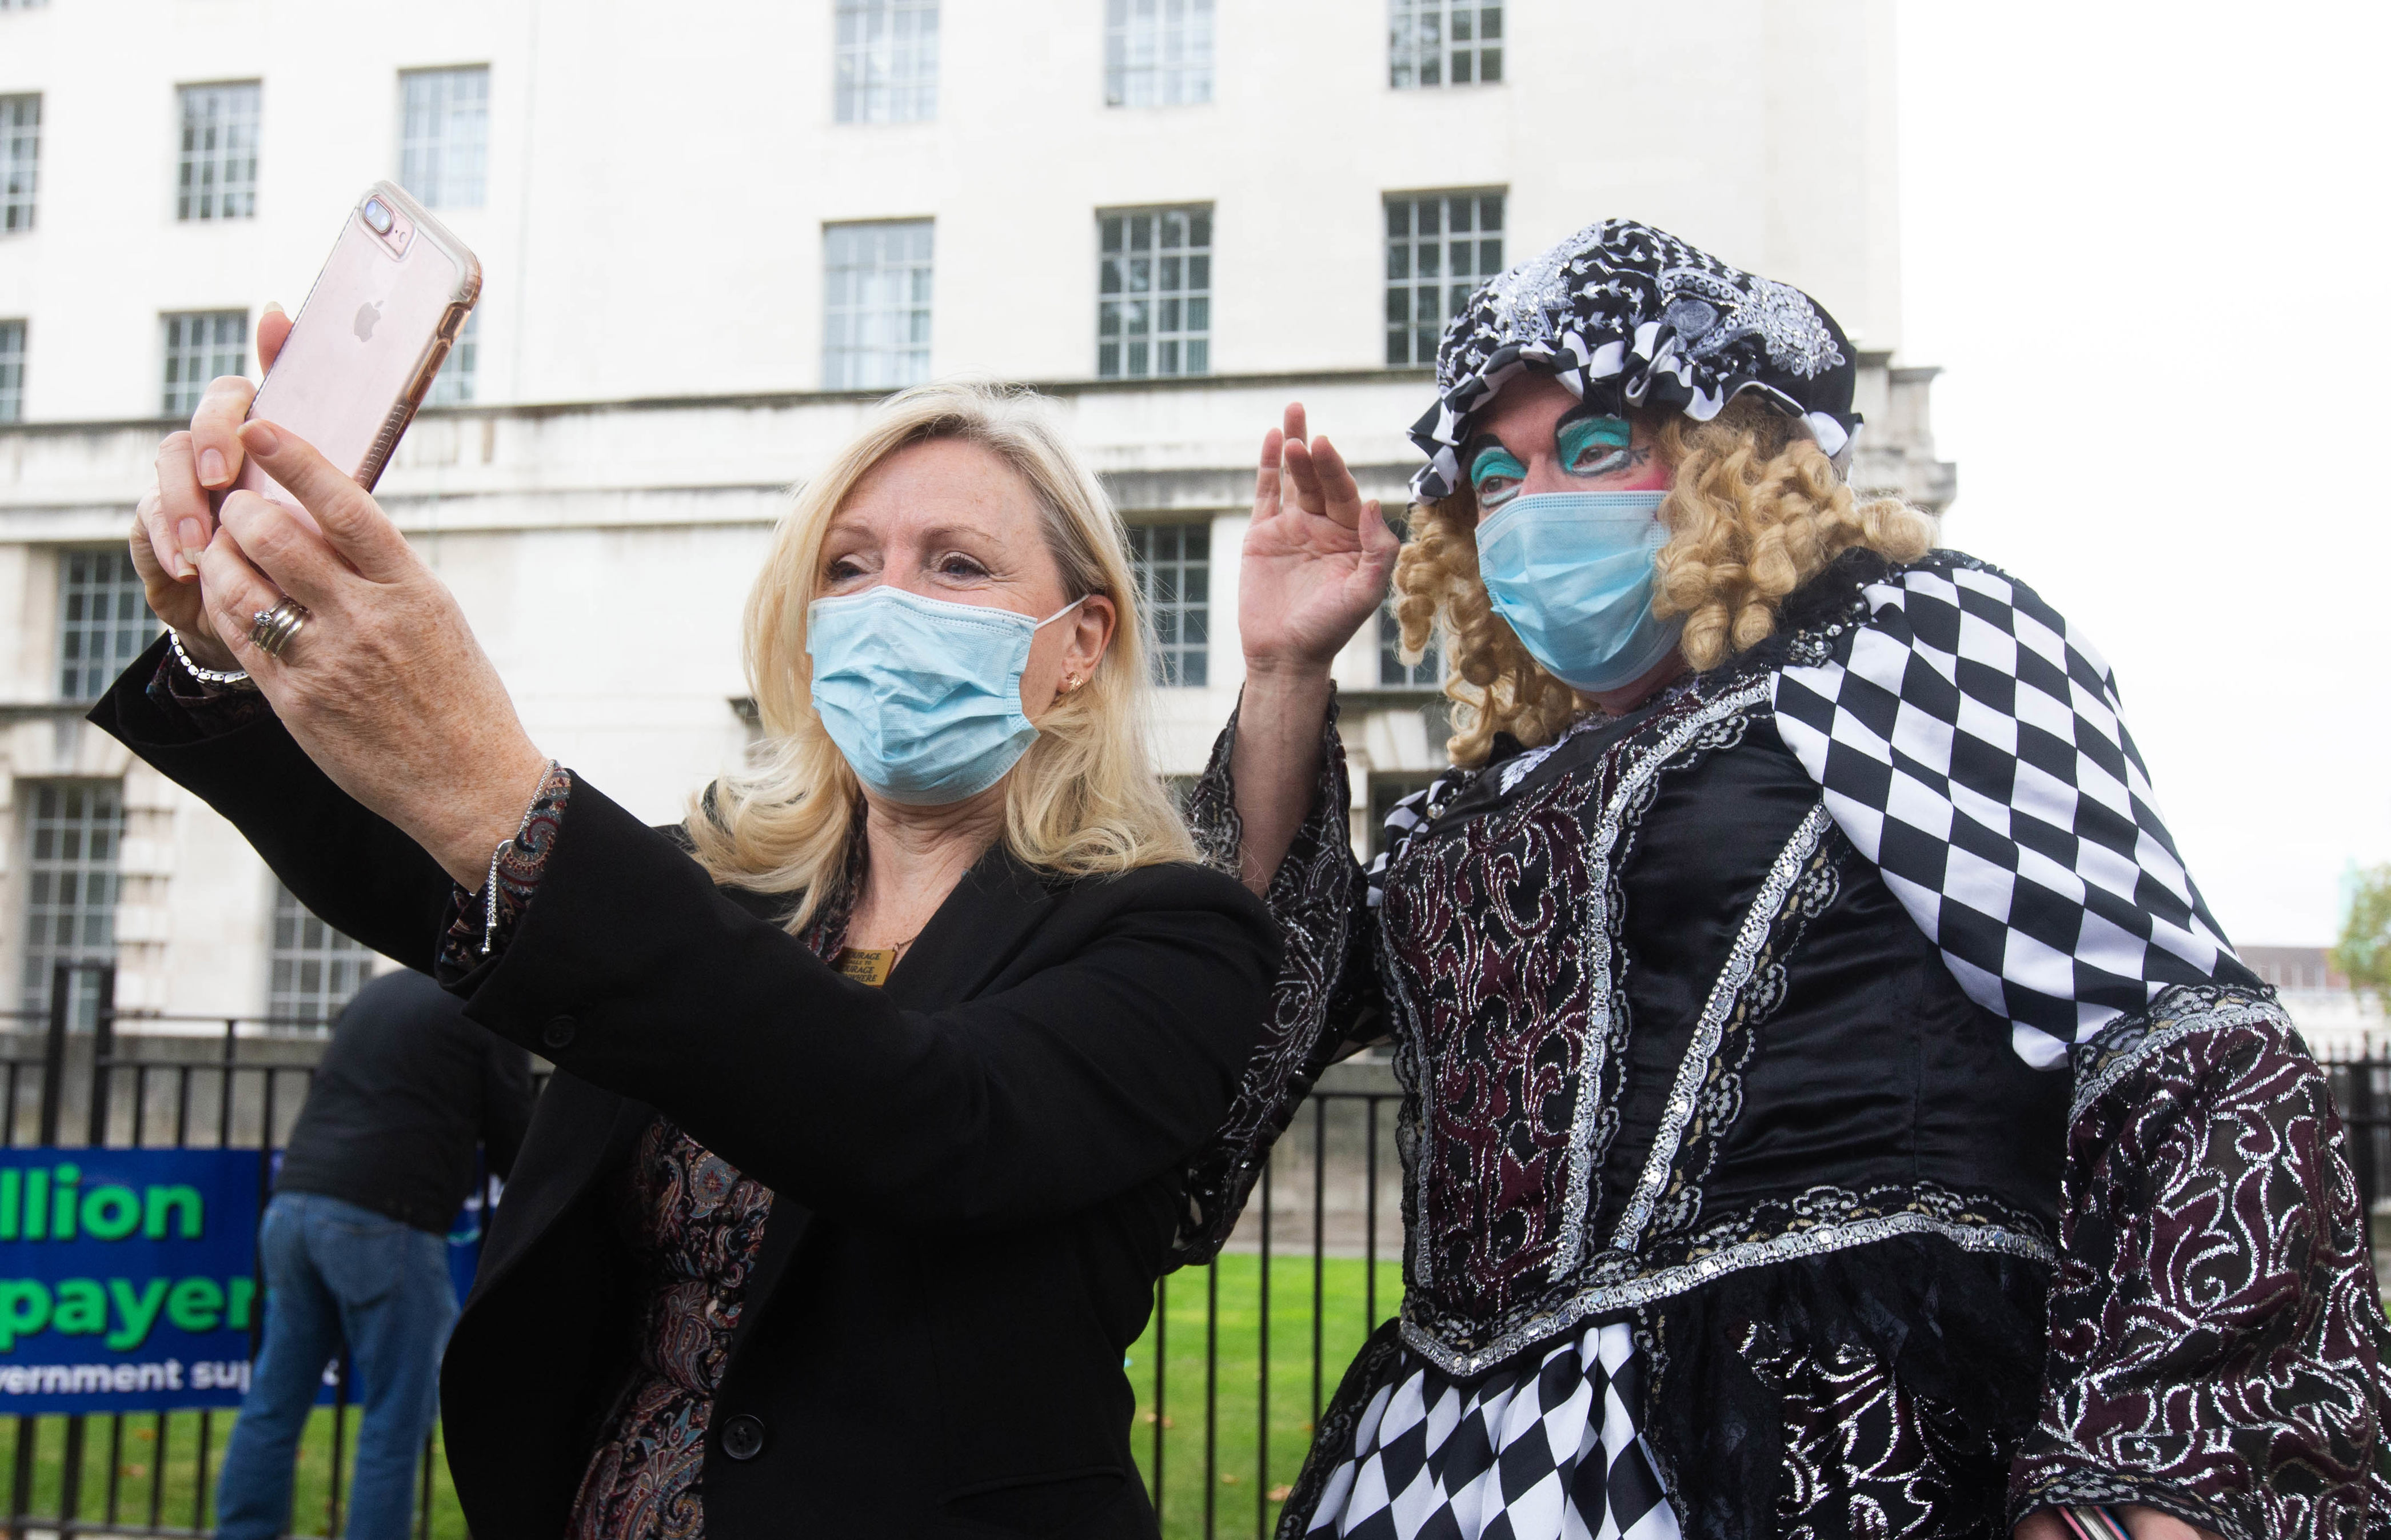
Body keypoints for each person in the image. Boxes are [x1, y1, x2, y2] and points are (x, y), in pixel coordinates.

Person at [1179, 220, 2391, 1540]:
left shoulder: (1899, 645)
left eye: (1591, 446)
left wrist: (2143, 1467)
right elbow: (1230, 1033)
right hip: (1433, 1459)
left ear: (1724, 460)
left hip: (1806, 1439)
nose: (1530, 501)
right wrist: (1286, 673)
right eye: (1493, 471)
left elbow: (2186, 1045)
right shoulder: (1473, 799)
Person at [100, 350, 1279, 1538]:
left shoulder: (1174, 936)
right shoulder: (722, 884)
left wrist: (512, 795)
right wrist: (225, 640)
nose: (885, 604)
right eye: (847, 568)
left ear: (1080, 643)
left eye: (956, 566)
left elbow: (932, 1121)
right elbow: (429, 869)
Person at [215, 966, 533, 1540]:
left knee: (274, 1399)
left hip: (295, 1205)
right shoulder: (490, 1010)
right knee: (395, 1416)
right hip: (385, 1217)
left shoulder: (379, 993)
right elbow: (517, 1137)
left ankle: (243, 1532)